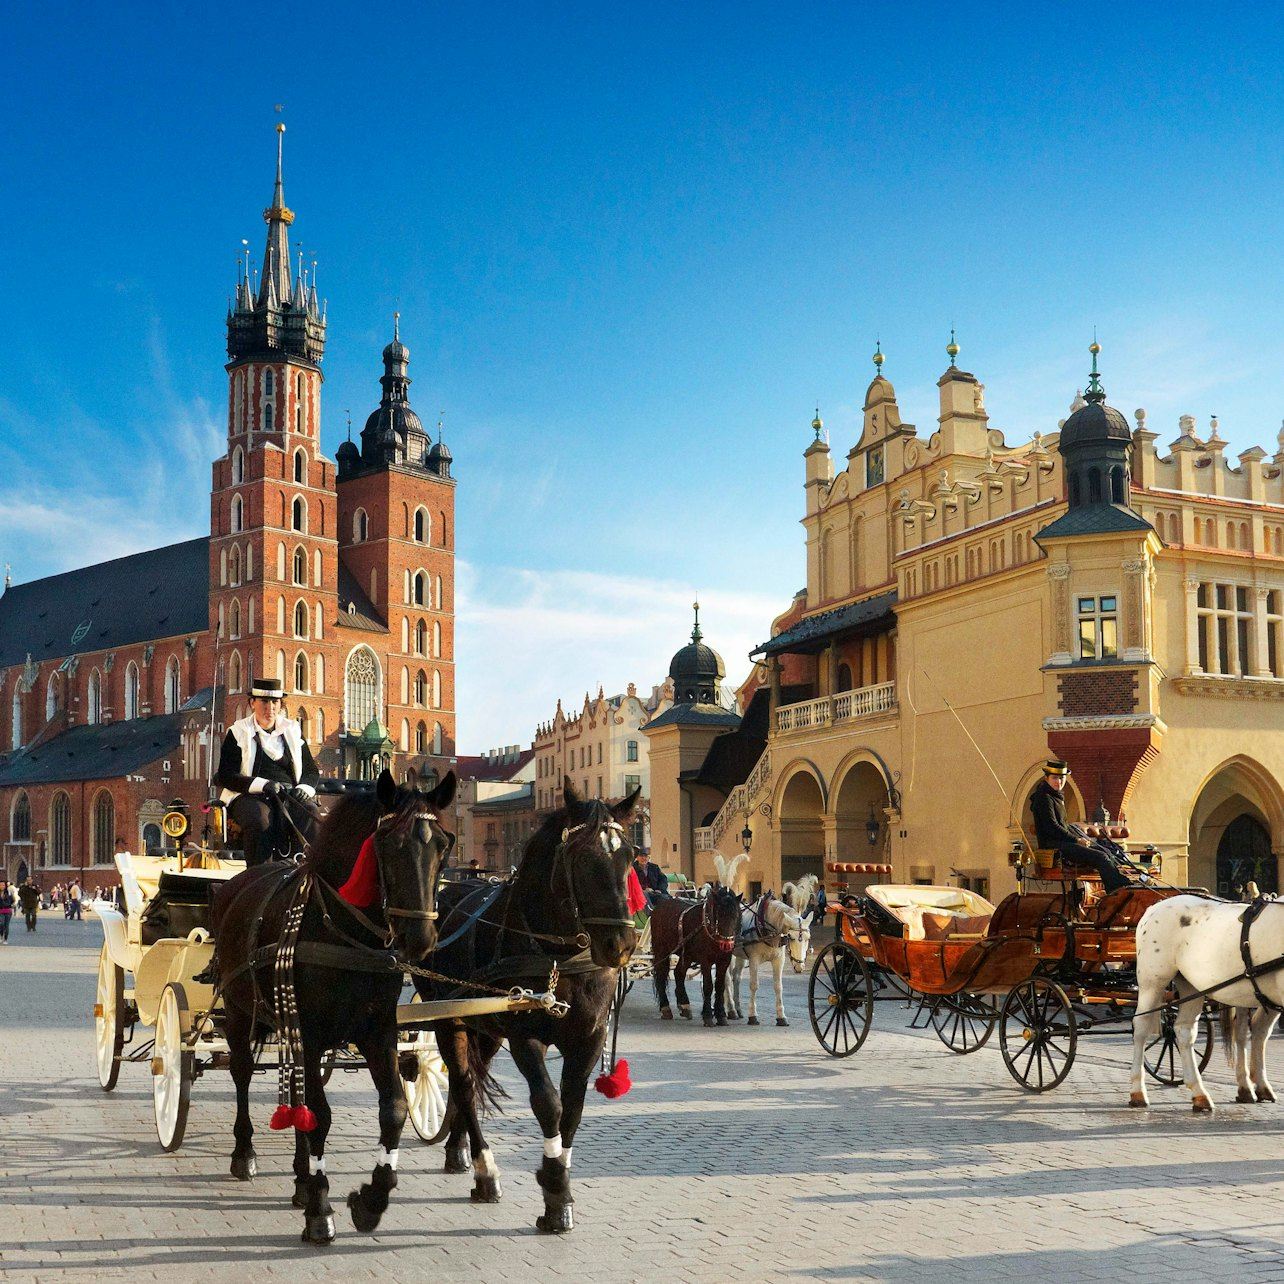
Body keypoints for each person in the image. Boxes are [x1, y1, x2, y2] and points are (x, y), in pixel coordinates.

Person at [215, 677, 320, 867]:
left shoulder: (293, 730)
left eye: (275, 702)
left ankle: (305, 871)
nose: (269, 707)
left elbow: (311, 771)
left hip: (289, 794)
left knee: (310, 811)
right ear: (252, 703)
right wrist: (262, 784)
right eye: (264, 701)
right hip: (249, 796)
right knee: (260, 819)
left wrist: (304, 788)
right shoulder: (238, 732)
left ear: (280, 705)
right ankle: (261, 875)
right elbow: (225, 775)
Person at [1029, 760, 1130, 893]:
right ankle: (1115, 891)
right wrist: (1076, 840)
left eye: (1061, 778)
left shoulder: (1055, 796)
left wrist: (1078, 837)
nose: (1058, 782)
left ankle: (1122, 883)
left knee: (1106, 852)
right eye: (1055, 778)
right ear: (1046, 778)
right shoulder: (1044, 797)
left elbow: (1063, 826)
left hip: (1062, 843)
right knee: (1100, 857)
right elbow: (1052, 827)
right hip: (1054, 847)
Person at [0, 879, 13, 943]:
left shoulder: (8, 892)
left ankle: (5, 939)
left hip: (8, 911)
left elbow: (12, 900)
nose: (2, 886)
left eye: (3, 885)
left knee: (6, 926)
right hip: (0, 911)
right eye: (1, 885)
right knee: (1, 924)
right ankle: (1, 935)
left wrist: (8, 904)